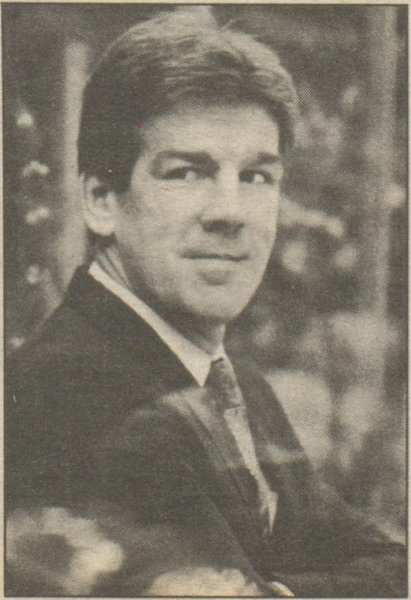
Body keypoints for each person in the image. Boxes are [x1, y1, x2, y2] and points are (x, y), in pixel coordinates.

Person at [5, 7, 406, 597]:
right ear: (101, 200)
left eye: (257, 177)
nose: (230, 212)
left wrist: (275, 590)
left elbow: (392, 565)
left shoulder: (234, 383)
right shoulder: (68, 398)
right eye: (187, 172)